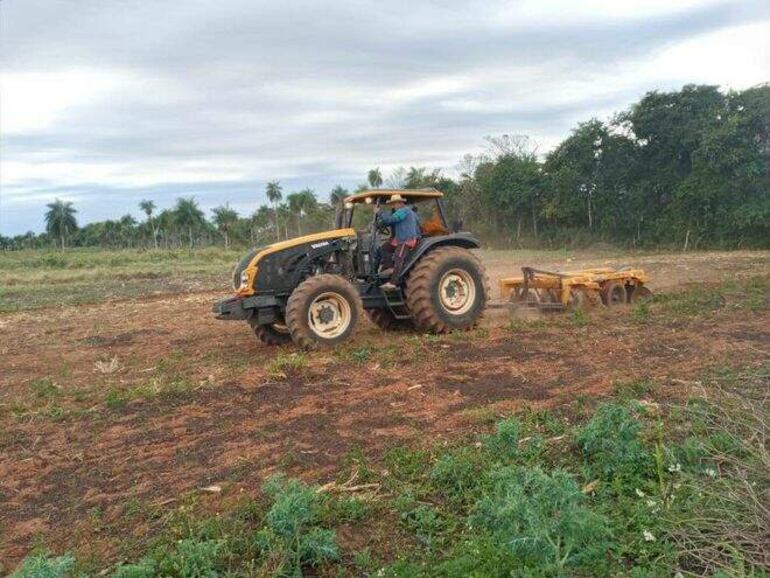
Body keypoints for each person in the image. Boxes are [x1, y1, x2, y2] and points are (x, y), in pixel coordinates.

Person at [376, 193, 421, 291]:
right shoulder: (408, 212)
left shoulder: (403, 211)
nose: (394, 206)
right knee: (384, 248)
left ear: (400, 203)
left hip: (406, 239)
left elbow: (390, 220)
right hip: (400, 239)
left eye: (395, 203)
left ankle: (393, 283)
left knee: (398, 257)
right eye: (392, 204)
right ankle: (387, 268)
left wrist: (379, 212)